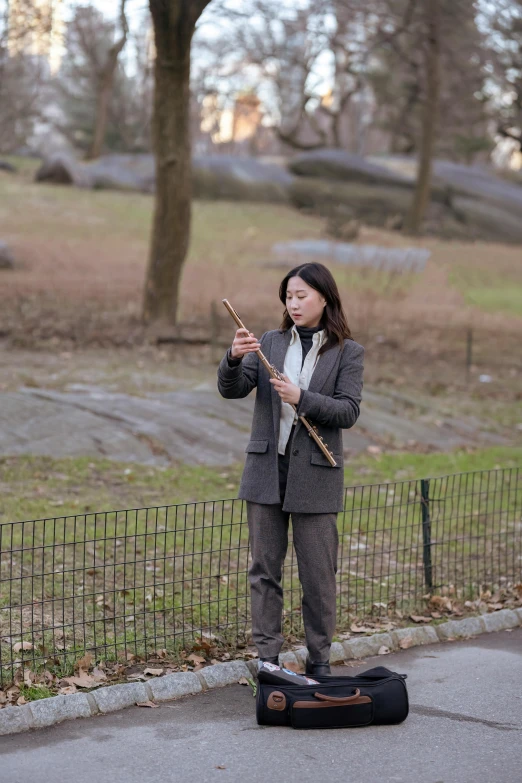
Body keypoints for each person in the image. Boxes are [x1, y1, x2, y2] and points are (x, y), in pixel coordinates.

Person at [217, 262, 364, 677]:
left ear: (324, 298)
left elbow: (348, 411)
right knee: (264, 570)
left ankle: (319, 661)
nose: (294, 303)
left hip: (316, 476)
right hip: (266, 471)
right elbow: (231, 389)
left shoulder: (347, 352)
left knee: (318, 576)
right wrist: (232, 357)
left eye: (302, 296)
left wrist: (302, 397)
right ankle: (268, 661)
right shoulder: (269, 342)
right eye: (288, 296)